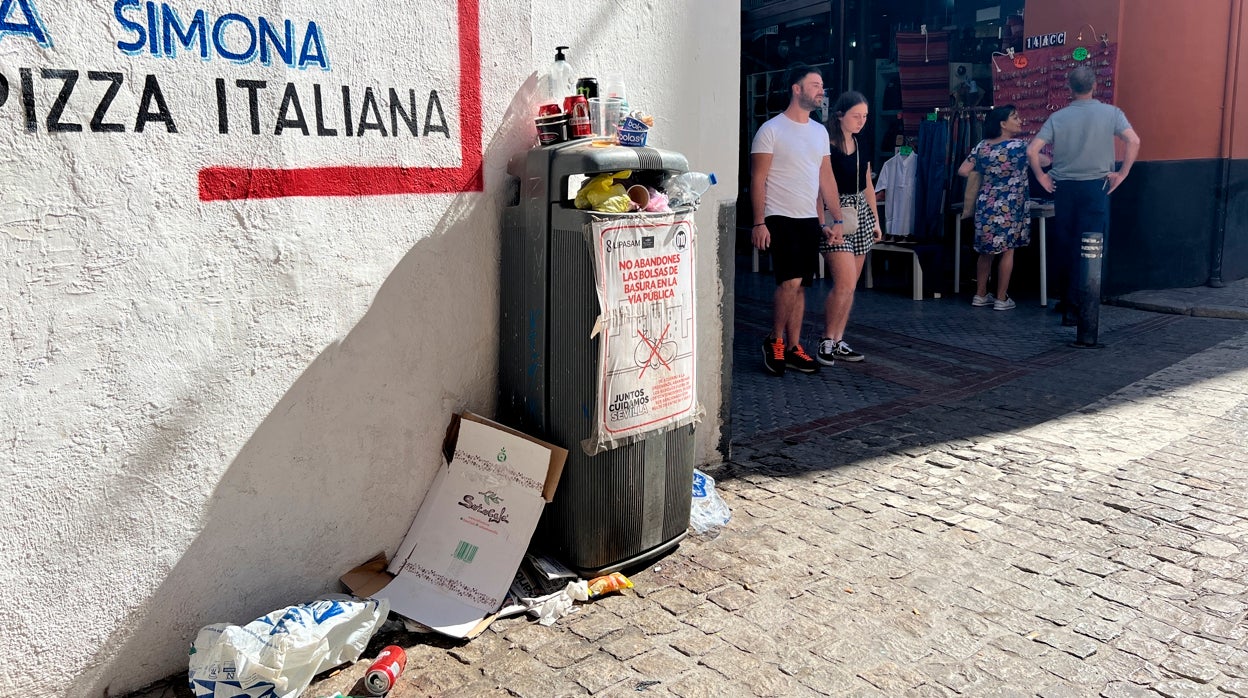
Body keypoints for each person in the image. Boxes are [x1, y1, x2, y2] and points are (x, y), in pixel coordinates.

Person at [750, 65, 846, 376]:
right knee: (789, 281)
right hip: (779, 216)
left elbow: (826, 177)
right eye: (815, 85)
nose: (821, 90)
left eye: (822, 85)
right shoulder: (771, 130)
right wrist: (758, 222)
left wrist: (835, 219)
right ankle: (774, 340)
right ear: (796, 89)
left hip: (808, 219)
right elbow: (758, 179)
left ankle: (793, 347)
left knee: (802, 286)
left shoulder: (819, 132)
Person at [1027, 65, 1140, 326]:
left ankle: (1067, 302)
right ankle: (1085, 304)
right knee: (1092, 246)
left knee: (1065, 244)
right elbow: (1133, 141)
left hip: (1064, 187)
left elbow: (1033, 150)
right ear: (1095, 86)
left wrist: (1042, 176)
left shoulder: (1058, 117)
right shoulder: (1112, 113)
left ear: (1069, 87)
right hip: (1096, 187)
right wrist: (1122, 173)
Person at [817, 91, 882, 365]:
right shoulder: (826, 145)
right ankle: (827, 340)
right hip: (835, 214)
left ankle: (838, 338)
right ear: (840, 115)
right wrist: (822, 222)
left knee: (851, 286)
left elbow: (867, 183)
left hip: (860, 214)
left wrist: (877, 220)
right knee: (843, 283)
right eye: (856, 116)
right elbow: (819, 187)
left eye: (865, 116)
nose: (861, 121)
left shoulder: (859, 142)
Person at [957, 104, 1031, 311]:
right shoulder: (1019, 147)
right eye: (1014, 117)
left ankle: (980, 295)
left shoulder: (982, 146)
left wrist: (989, 171)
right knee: (1007, 251)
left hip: (986, 203)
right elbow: (1042, 160)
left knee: (985, 251)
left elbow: (963, 170)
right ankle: (1001, 298)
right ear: (1003, 124)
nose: (1019, 120)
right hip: (1012, 205)